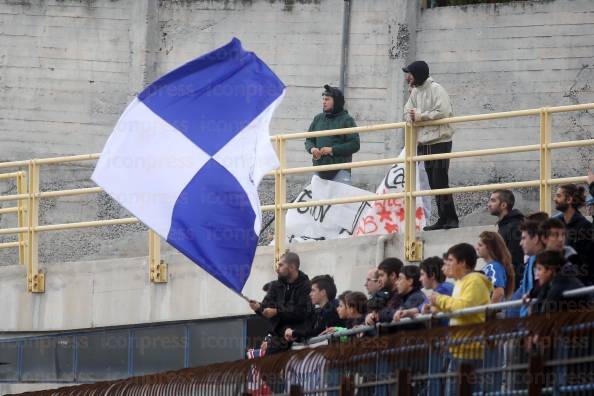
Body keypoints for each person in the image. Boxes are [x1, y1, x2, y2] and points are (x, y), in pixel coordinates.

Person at [429, 243, 492, 396]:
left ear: (462, 262)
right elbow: (457, 309)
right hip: (458, 348)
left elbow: (464, 307)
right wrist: (437, 308)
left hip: (470, 349)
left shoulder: (475, 280)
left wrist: (439, 300)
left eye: (450, 260)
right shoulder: (460, 282)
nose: (447, 264)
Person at [403, 60, 458, 230]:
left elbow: (443, 112)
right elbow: (407, 111)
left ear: (418, 74)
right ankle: (443, 218)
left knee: (440, 180)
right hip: (425, 142)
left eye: (410, 74)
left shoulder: (436, 89)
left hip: (440, 141)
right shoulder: (416, 92)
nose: (407, 77)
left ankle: (452, 219)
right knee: (434, 184)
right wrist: (411, 116)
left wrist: (420, 116)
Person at [248, 251, 313, 354]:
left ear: (292, 267)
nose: (277, 268)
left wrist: (277, 312)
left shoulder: (307, 286)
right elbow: (266, 309)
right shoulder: (275, 286)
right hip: (278, 336)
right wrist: (258, 308)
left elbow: (302, 312)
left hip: (297, 336)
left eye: (281, 265)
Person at [304, 85, 360, 184]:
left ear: (336, 101)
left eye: (327, 99)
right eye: (323, 99)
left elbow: (355, 144)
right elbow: (309, 140)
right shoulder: (318, 119)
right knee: (318, 199)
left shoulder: (347, 120)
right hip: (319, 169)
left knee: (341, 199)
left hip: (340, 170)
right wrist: (312, 149)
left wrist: (332, 150)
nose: (324, 102)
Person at [553, 184, 594, 284]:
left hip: (578, 289)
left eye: (558, 196)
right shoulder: (558, 225)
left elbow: (587, 264)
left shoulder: (585, 227)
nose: (554, 199)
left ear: (569, 200)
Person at [284, 275, 343, 342]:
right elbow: (313, 332)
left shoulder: (331, 309)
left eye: (313, 290)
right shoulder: (322, 310)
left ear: (323, 292)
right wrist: (296, 336)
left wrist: (293, 333)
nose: (310, 294)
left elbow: (318, 332)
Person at [529, 250, 590, 314]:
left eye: (539, 269)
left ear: (550, 270)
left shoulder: (562, 282)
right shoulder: (549, 284)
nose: (537, 274)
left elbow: (546, 311)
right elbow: (537, 310)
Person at [487, 189, 525, 288]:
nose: (489, 204)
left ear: (503, 205)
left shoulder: (515, 226)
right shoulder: (505, 226)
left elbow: (515, 259)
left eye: (493, 200)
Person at [476, 231, 515, 303]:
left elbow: (499, 292)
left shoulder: (493, 267)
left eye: (480, 245)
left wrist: (489, 311)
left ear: (490, 248)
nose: (477, 248)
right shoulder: (492, 266)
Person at [365, 258, 403, 325]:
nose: (379, 280)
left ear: (392, 275)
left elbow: (393, 313)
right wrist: (368, 317)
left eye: (382, 275)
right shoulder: (383, 294)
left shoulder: (401, 295)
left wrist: (378, 314)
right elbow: (370, 311)